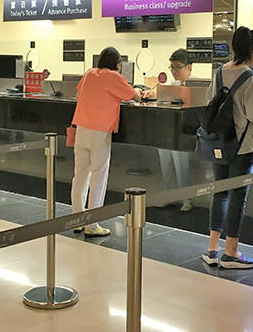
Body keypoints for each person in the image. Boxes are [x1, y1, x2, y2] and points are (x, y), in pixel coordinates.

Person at [202, 27, 253, 269]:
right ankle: (231, 252)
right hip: (242, 147)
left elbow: (211, 101)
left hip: (219, 143)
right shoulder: (252, 78)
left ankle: (212, 249)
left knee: (219, 193)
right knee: (237, 197)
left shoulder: (220, 72)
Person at [71, 46, 142, 237]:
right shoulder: (114, 76)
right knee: (98, 177)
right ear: (118, 64)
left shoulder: (89, 73)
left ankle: (77, 220)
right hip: (100, 131)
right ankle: (92, 225)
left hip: (81, 129)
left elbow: (78, 96)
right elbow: (135, 96)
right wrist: (137, 90)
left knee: (80, 175)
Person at [144, 49, 194, 212]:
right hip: (167, 129)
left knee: (181, 165)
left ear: (189, 67)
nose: (174, 71)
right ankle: (169, 195)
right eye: (172, 67)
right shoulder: (170, 85)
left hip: (183, 130)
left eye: (178, 67)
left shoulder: (195, 85)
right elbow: (159, 97)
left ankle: (186, 198)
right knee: (166, 162)